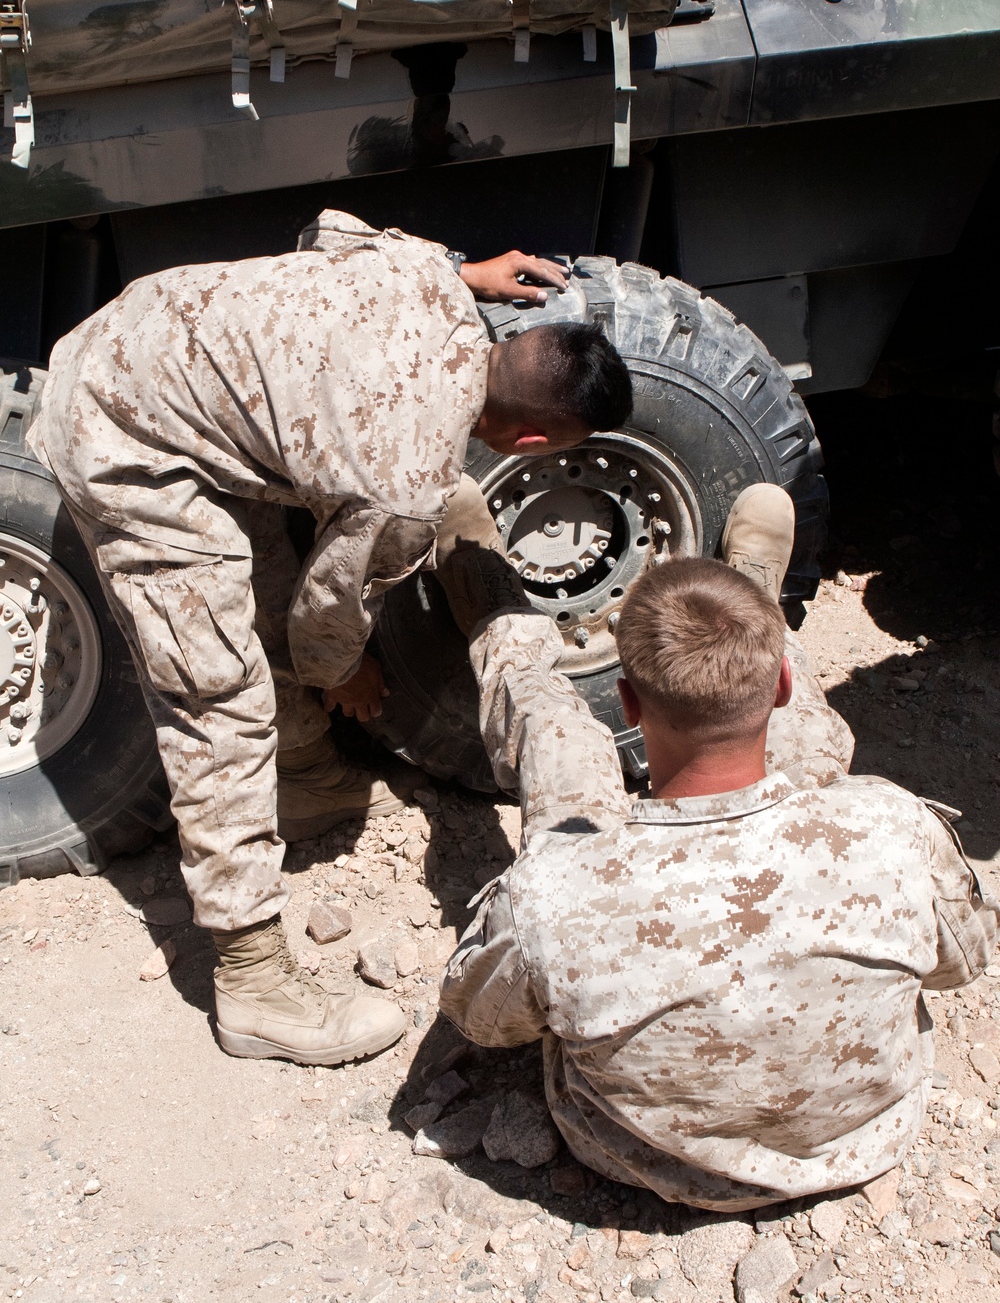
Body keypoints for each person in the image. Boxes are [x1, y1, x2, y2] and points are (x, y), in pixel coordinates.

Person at [27, 209, 633, 1066]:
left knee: (264, 558)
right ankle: (252, 982)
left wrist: (465, 268)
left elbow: (330, 231)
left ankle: (303, 775)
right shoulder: (408, 478)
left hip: (149, 336)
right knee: (217, 697)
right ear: (531, 441)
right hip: (126, 436)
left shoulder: (429, 277)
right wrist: (341, 671)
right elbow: (328, 610)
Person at [439, 485, 999, 1210]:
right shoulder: (893, 830)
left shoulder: (557, 894)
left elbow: (485, 1021)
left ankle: (500, 620)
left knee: (559, 746)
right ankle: (757, 614)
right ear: (786, 683)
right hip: (860, 1137)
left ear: (631, 707)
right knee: (816, 751)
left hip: (643, 1158)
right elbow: (964, 962)